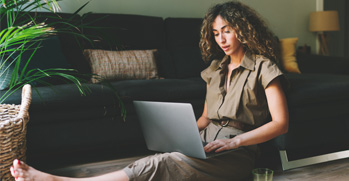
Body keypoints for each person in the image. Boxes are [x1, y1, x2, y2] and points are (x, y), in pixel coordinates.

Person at [10, 1, 288, 180]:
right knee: (161, 161)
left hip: (237, 152)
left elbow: (280, 123)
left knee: (164, 164)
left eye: (227, 31)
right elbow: (205, 117)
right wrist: (185, 135)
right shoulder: (216, 69)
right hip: (205, 142)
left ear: (242, 29)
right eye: (216, 33)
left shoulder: (263, 67)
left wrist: (235, 142)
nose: (221, 39)